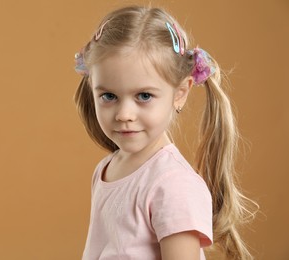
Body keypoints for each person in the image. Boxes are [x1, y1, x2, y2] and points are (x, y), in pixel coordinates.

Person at [74, 5, 256, 260]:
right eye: (109, 96)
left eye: (144, 96)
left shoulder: (173, 185)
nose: (124, 113)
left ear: (180, 94)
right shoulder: (107, 167)